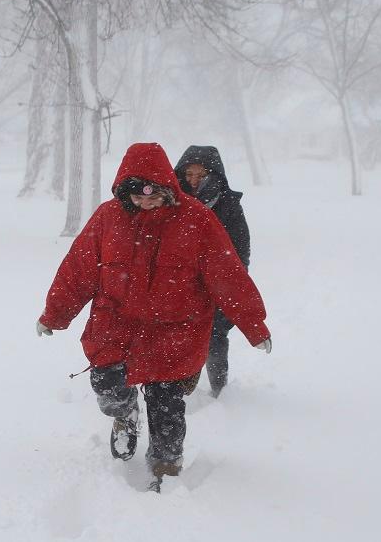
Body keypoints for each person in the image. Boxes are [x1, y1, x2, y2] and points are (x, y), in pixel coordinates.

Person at [35, 143, 271, 483]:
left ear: (167, 189)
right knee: (106, 386)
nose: (145, 203)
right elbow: (78, 271)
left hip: (175, 330)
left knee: (167, 405)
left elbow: (227, 273)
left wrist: (254, 324)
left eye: (154, 196)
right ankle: (125, 414)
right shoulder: (107, 218)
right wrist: (55, 313)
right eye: (137, 197)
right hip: (116, 325)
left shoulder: (196, 220)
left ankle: (166, 466)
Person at [174, 145, 252, 398]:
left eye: (201, 175)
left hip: (218, 282)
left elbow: (240, 247)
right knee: (179, 334)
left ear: (213, 174)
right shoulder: (173, 201)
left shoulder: (228, 203)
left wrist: (234, 283)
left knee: (215, 335)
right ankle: (182, 387)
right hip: (181, 282)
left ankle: (219, 389)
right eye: (189, 175)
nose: (194, 181)